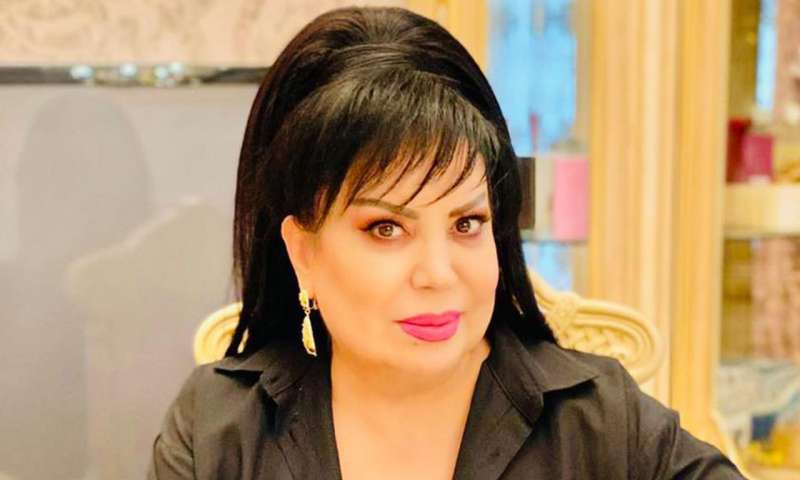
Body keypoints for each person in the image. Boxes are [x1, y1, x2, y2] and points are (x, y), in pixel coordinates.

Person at [148, 6, 744, 479]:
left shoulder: (599, 423)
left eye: (466, 224)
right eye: (386, 229)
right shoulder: (221, 429)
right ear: (303, 251)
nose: (438, 273)